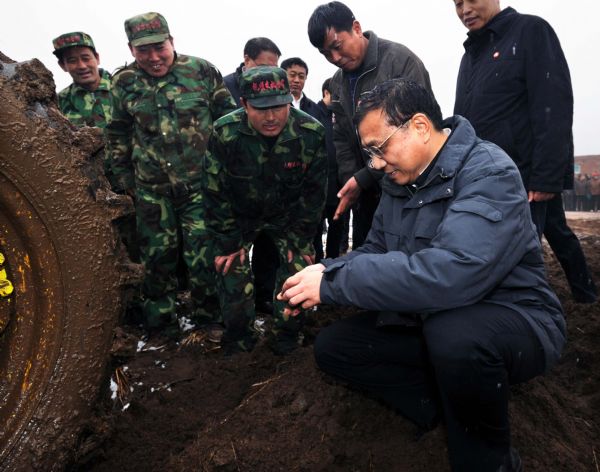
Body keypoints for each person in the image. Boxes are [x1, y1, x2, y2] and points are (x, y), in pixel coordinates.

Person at [278, 79, 566, 471]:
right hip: (433, 317)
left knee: (456, 337)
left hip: (513, 318)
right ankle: (442, 408)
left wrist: (334, 284)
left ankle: (487, 459)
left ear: (418, 126)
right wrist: (324, 271)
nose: (376, 163)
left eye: (380, 148)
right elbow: (376, 250)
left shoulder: (488, 172)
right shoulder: (399, 182)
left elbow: (453, 273)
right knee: (335, 347)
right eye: (369, 154)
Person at [452, 0, 597, 304]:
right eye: (457, 3)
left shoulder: (531, 31)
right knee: (557, 230)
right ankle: (586, 295)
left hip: (523, 176)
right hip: (485, 175)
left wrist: (546, 177)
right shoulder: (471, 54)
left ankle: (532, 313)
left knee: (520, 252)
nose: (465, 9)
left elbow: (553, 105)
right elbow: (463, 120)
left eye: (471, 0)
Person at [105, 12, 236, 336]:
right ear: (131, 49)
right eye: (143, 50)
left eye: (159, 47)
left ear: (171, 42)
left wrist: (226, 173)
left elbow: (229, 123)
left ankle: (208, 318)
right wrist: (126, 183)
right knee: (157, 259)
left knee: (203, 256)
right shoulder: (124, 83)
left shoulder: (201, 72)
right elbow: (117, 134)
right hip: (151, 190)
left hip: (198, 188)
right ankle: (161, 324)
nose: (153, 57)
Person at [204, 66, 327, 354]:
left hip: (287, 217)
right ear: (244, 104)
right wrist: (228, 242)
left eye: (278, 107)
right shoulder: (225, 132)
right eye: (261, 108)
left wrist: (299, 241)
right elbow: (214, 189)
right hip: (240, 214)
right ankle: (239, 339)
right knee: (229, 269)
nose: (271, 117)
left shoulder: (311, 133)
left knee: (297, 272)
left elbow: (313, 194)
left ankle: (285, 337)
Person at [307, 1, 432, 250]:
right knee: (369, 262)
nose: (334, 58)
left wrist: (364, 176)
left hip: (407, 189)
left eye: (337, 46)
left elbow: (413, 134)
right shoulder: (337, 82)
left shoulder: (400, 62)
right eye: (325, 54)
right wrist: (352, 179)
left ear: (356, 27)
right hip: (366, 196)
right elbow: (341, 137)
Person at [223, 37, 282, 316]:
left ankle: (263, 299)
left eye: (275, 67)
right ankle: (236, 310)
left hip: (269, 188)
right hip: (237, 188)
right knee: (233, 254)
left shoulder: (277, 90)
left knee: (267, 251)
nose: (268, 74)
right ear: (246, 60)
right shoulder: (224, 88)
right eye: (262, 66)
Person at [312, 78, 344, 262]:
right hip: (318, 184)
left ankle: (331, 261)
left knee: (337, 225)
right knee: (316, 228)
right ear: (326, 93)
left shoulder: (340, 115)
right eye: (336, 94)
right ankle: (317, 261)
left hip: (338, 184)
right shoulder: (313, 113)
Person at [52, 32, 112, 128]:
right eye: (72, 61)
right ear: (63, 65)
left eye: (86, 58)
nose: (82, 66)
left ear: (97, 58)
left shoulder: (126, 88)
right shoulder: (58, 103)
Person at [223, 37, 281, 106]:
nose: (269, 73)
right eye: (264, 68)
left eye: (274, 69)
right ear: (247, 60)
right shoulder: (224, 87)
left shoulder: (278, 86)